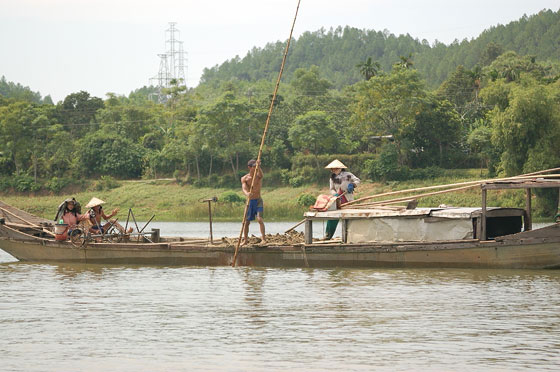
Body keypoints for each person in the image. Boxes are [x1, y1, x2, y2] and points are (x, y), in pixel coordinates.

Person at [325, 159, 360, 240]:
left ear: (340, 168)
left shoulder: (348, 175)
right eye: (333, 169)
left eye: (336, 169)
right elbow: (331, 189)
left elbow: (358, 180)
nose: (334, 170)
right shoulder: (332, 178)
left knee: (348, 218)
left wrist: (353, 185)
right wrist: (335, 194)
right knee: (332, 217)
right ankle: (328, 236)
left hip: (348, 198)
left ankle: (349, 237)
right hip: (338, 199)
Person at [241, 159, 266, 245]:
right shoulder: (245, 178)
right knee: (246, 222)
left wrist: (259, 166)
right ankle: (245, 240)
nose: (255, 168)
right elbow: (244, 188)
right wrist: (247, 193)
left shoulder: (258, 175)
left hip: (258, 200)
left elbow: (261, 175)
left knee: (259, 219)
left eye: (256, 166)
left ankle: (263, 239)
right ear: (249, 167)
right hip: (250, 202)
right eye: (254, 166)